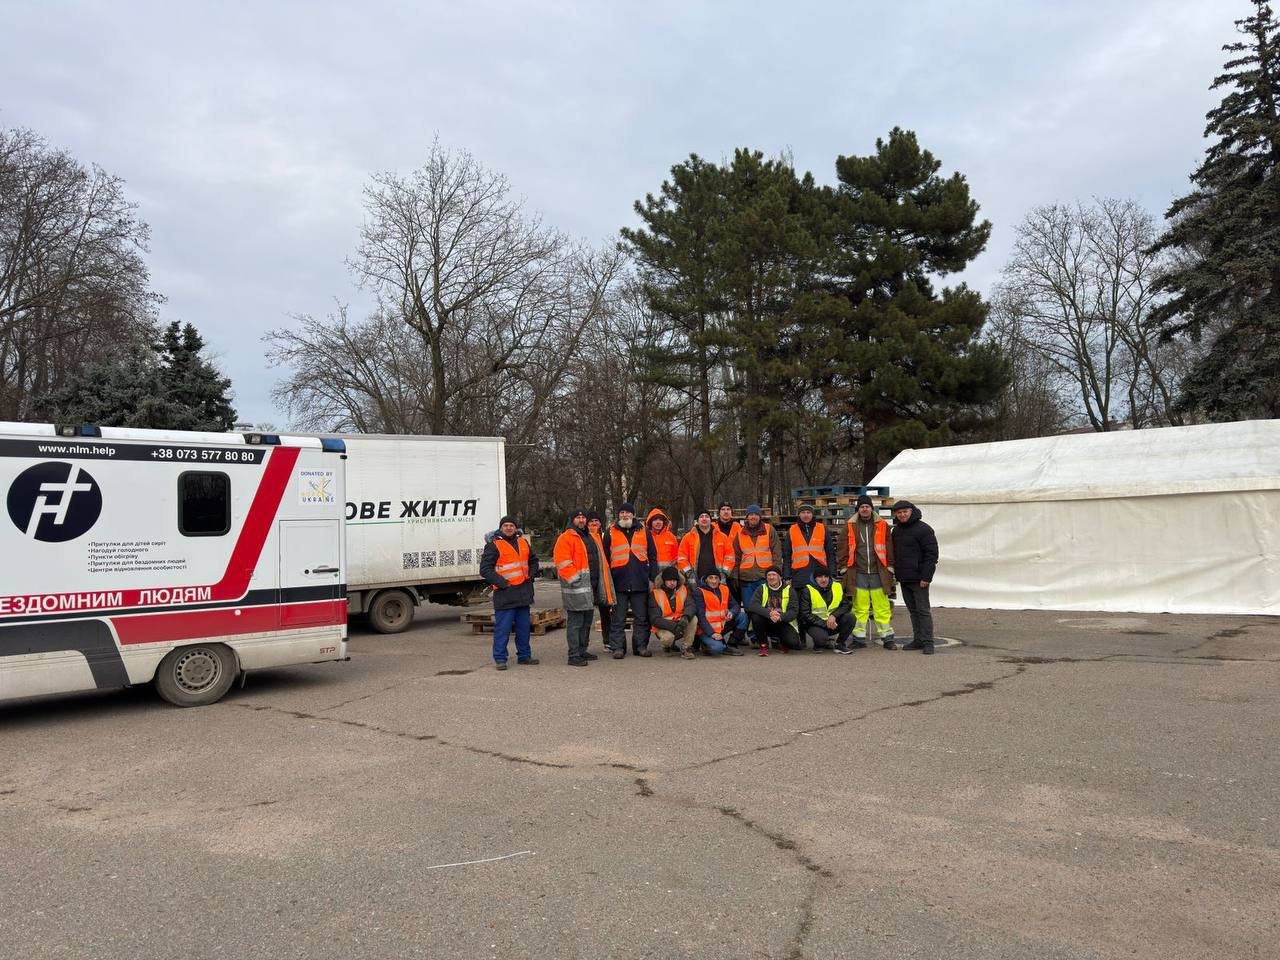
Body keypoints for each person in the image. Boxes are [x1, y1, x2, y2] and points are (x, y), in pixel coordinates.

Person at [479, 514, 541, 670]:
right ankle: (500, 659)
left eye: (511, 525)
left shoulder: (523, 542)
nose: (508, 528)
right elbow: (485, 569)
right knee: (503, 630)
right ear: (501, 528)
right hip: (505, 594)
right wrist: (503, 583)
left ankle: (524, 656)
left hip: (523, 593)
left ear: (515, 527)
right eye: (505, 525)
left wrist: (531, 574)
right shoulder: (494, 545)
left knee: (523, 628)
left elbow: (533, 560)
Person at [838, 495, 896, 649]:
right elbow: (842, 546)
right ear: (858, 509)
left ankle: (888, 639)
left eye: (867, 506)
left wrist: (890, 565)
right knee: (859, 608)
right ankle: (859, 639)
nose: (865, 509)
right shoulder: (849, 526)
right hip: (858, 573)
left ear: (871, 508)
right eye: (862, 506)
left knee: (881, 606)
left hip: (879, 572)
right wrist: (843, 566)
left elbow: (889, 546)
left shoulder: (883, 525)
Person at [607, 502, 658, 658]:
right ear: (619, 515)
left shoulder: (645, 532)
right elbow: (605, 557)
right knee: (618, 619)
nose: (625, 515)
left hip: (640, 581)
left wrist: (652, 578)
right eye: (622, 513)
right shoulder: (610, 532)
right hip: (618, 582)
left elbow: (652, 556)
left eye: (628, 513)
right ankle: (618, 648)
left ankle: (640, 647)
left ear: (633, 515)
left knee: (641, 618)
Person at [890, 499, 939, 655]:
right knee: (913, 611)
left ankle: (928, 642)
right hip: (904, 578)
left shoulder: (924, 530)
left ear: (911, 511)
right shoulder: (896, 531)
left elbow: (931, 555)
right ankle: (918, 639)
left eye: (905, 511)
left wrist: (926, 577)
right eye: (899, 512)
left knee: (923, 610)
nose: (902, 515)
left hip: (920, 579)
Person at [553, 509, 598, 666]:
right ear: (572, 520)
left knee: (586, 622)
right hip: (576, 589)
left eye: (583, 517)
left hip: (589, 588)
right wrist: (576, 580)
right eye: (578, 517)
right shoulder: (566, 538)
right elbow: (562, 562)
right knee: (575, 623)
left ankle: (582, 650)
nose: (581, 520)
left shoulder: (587, 536)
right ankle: (573, 655)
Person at [732, 505, 782, 640]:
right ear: (747, 517)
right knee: (749, 608)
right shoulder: (740, 533)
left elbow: (776, 551)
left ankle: (773, 636)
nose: (753, 517)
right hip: (746, 578)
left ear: (760, 516)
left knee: (770, 607)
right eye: (750, 514)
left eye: (755, 514)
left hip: (765, 577)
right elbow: (736, 556)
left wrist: (777, 572)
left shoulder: (769, 530)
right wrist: (735, 574)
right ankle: (754, 636)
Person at [744, 567, 801, 655]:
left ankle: (782, 643)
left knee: (793, 643)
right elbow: (753, 605)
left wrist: (780, 617)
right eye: (769, 575)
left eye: (774, 575)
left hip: (783, 622)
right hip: (766, 621)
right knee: (756, 616)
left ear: (780, 577)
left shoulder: (789, 590)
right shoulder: (761, 588)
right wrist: (769, 613)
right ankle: (763, 645)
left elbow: (794, 611)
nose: (771, 577)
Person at [798, 565, 853, 652]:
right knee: (821, 640)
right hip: (814, 624)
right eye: (820, 577)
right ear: (815, 578)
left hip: (833, 622)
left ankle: (840, 644)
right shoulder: (807, 589)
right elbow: (805, 614)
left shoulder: (837, 586)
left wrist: (834, 615)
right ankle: (819, 644)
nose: (823, 579)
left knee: (850, 617)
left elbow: (846, 605)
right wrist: (825, 623)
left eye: (826, 576)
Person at [648, 566, 697, 659]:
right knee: (667, 639)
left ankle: (686, 648)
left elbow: (691, 605)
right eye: (669, 580)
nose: (672, 583)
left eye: (674, 580)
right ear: (664, 581)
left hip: (681, 622)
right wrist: (674, 626)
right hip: (663, 626)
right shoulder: (655, 593)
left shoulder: (683, 589)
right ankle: (667, 646)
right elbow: (654, 618)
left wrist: (685, 617)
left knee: (694, 618)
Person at [693, 570, 746, 657]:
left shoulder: (724, 588)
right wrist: (712, 633)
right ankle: (706, 645)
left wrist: (731, 613)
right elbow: (700, 616)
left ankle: (731, 645)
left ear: (719, 579)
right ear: (706, 579)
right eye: (711, 578)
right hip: (706, 630)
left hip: (722, 625)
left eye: (716, 578)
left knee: (743, 617)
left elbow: (736, 605)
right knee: (717, 648)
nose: (714, 581)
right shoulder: (699, 592)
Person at [677, 509, 735, 586]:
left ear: (710, 520)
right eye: (701, 517)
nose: (704, 519)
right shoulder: (688, 537)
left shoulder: (722, 537)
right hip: (695, 579)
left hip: (717, 579)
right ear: (697, 520)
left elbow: (730, 557)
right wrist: (689, 573)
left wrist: (724, 573)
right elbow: (682, 558)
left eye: (707, 516)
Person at [584, 510, 615, 650]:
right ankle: (583, 645)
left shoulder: (604, 536)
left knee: (605, 613)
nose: (594, 524)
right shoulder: (585, 538)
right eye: (591, 522)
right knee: (587, 614)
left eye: (596, 521)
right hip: (591, 580)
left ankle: (607, 641)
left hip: (605, 579)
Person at [785, 504, 833, 589]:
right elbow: (786, 555)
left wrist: (832, 573)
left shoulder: (822, 528)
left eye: (808, 512)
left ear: (812, 514)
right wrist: (787, 576)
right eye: (803, 512)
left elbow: (830, 553)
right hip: (799, 574)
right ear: (799, 515)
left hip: (819, 573)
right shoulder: (792, 530)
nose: (806, 515)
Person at [646, 508, 680, 584]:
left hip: (668, 576)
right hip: (650, 575)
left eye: (660, 520)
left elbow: (676, 558)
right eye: (655, 520)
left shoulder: (671, 537)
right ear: (650, 522)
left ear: (664, 522)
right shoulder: (645, 537)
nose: (658, 522)